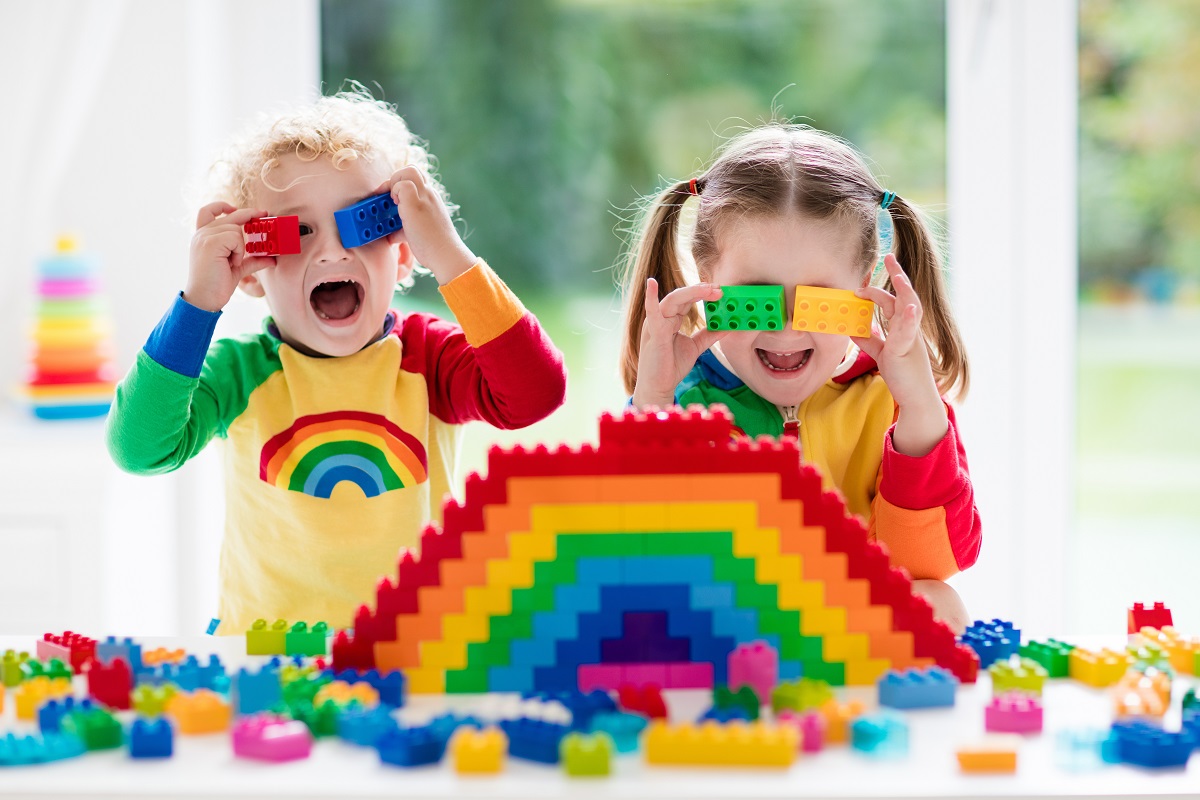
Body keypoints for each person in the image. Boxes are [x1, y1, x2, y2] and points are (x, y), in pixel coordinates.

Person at [107, 89, 567, 633]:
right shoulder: (240, 373)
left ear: (401, 252)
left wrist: (449, 254)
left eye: (360, 225)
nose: (330, 253)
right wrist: (199, 303)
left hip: (414, 651)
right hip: (264, 656)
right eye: (296, 232)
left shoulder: (427, 359)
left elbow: (535, 393)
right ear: (251, 269)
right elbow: (139, 449)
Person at [619, 123, 978, 633]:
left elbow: (931, 564)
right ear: (706, 281)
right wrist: (654, 403)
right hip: (728, 629)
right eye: (755, 299)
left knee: (939, 602)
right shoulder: (685, 403)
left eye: (817, 299)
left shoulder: (892, 403)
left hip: (850, 634)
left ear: (863, 288)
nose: (786, 327)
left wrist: (920, 408)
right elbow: (638, 556)